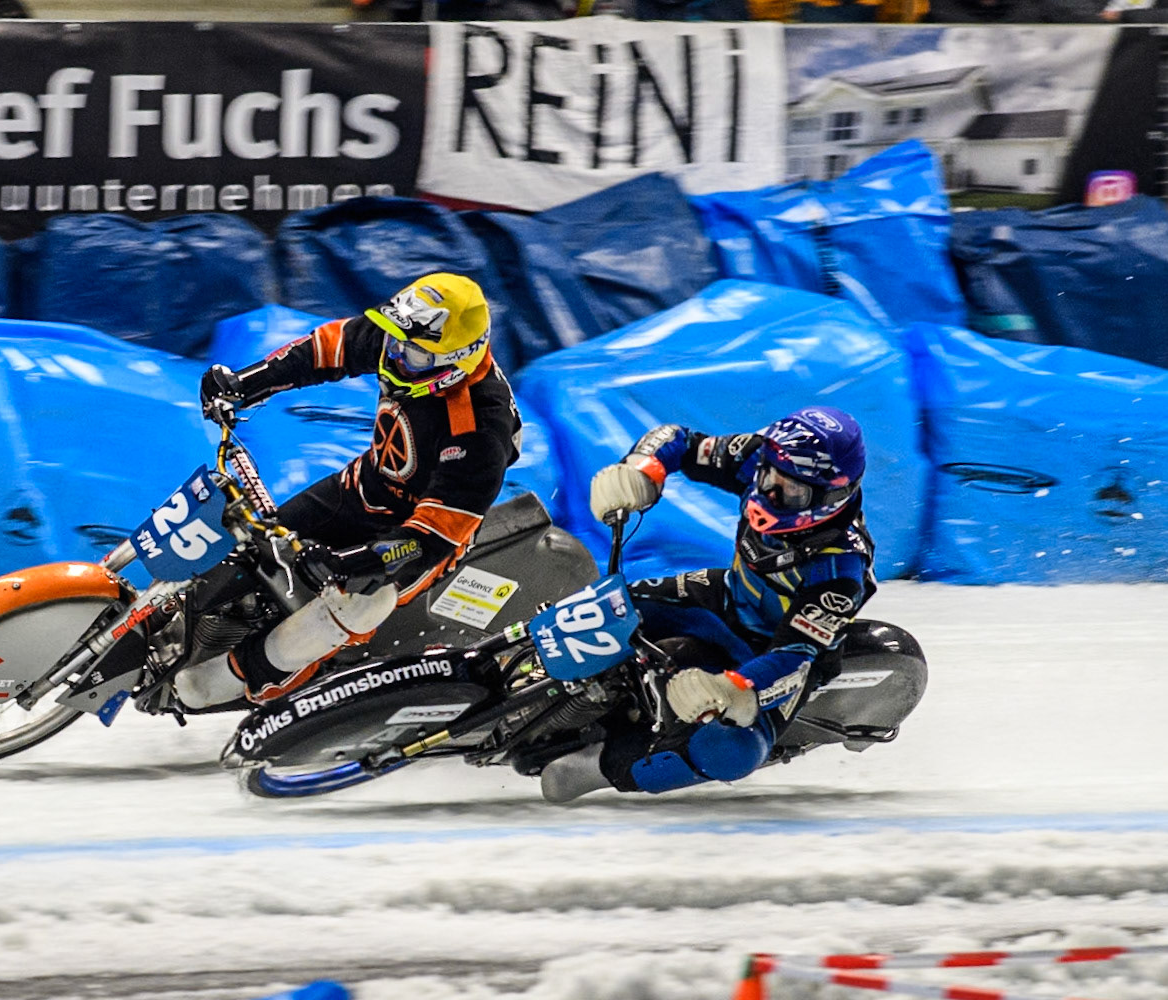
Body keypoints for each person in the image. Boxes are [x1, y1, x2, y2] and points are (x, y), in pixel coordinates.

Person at [175, 273, 522, 709]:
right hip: (365, 484)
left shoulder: (480, 425)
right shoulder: (407, 336)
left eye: (412, 354)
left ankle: (252, 679)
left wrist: (365, 560)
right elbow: (327, 348)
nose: (395, 357)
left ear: (456, 362)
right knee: (259, 541)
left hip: (422, 531)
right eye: (395, 342)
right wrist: (247, 383)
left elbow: (439, 531)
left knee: (360, 602)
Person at [539, 405, 876, 803]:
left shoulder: (839, 569)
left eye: (791, 491)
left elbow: (795, 656)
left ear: (830, 497)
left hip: (774, 654)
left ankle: (597, 769)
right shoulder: (764, 458)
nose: (768, 492)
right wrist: (640, 469)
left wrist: (734, 688)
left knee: (732, 752)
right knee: (607, 607)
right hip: (727, 598)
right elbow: (681, 441)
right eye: (768, 476)